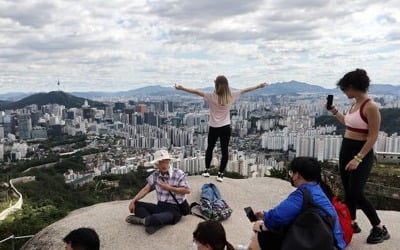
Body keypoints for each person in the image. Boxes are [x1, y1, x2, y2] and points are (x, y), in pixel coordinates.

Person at [328, 68, 390, 244]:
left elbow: (372, 137)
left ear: (352, 87)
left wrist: (358, 158)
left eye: (345, 89)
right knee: (348, 190)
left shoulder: (370, 107)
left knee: (356, 192)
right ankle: (352, 222)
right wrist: (333, 110)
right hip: (346, 148)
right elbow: (348, 123)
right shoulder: (354, 104)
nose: (344, 92)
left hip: (361, 152)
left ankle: (379, 227)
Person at [175, 76, 267, 182]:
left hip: (214, 127)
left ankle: (206, 170)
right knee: (224, 150)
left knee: (210, 148)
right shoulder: (231, 95)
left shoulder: (211, 96)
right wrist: (259, 86)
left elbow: (196, 92)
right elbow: (246, 90)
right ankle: (221, 174)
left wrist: (182, 88)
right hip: (225, 127)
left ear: (216, 85)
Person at [248, 157, 346, 250]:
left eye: (292, 172)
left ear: (297, 175)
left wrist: (261, 225)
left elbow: (278, 217)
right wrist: (265, 215)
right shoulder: (318, 190)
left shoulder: (302, 195)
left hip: (323, 244)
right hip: (334, 243)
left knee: (261, 237)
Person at [125, 149, 190, 234]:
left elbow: (187, 190)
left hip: (174, 210)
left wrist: (170, 188)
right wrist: (133, 201)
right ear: (156, 164)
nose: (163, 165)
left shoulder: (178, 173)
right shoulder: (155, 175)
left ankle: (144, 221)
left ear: (169, 162)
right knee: (136, 205)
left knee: (155, 218)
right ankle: (153, 223)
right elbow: (146, 189)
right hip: (160, 207)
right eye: (160, 162)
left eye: (165, 161)